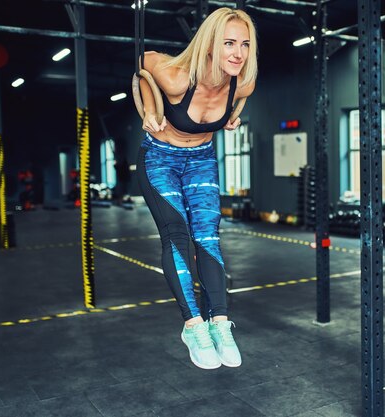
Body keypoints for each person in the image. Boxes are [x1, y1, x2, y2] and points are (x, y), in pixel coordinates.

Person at [135, 7, 257, 370]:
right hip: (160, 159)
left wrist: (233, 116)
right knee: (177, 235)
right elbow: (142, 62)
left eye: (245, 44)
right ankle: (193, 326)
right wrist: (147, 106)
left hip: (201, 159)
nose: (238, 53)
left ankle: (220, 323)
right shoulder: (176, 79)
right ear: (209, 46)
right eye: (229, 43)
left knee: (208, 237)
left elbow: (240, 98)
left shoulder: (243, 83)